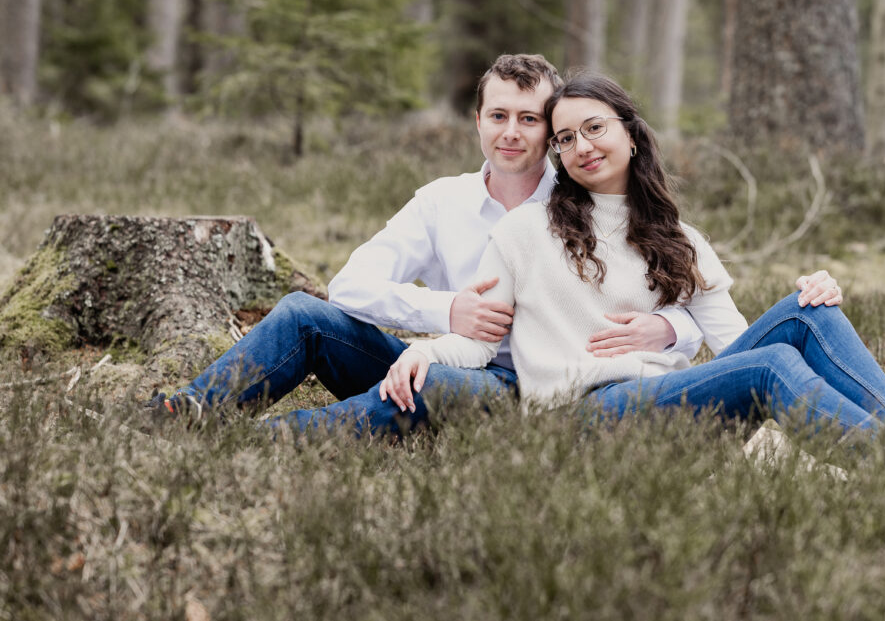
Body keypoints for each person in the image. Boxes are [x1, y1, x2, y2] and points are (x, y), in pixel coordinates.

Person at [151, 55, 845, 437]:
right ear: (478, 121)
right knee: (307, 317)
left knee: (437, 385)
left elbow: (667, 284)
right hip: (452, 349)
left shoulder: (580, 198)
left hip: (530, 385)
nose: (513, 132)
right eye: (497, 116)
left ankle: (278, 440)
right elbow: (354, 284)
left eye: (532, 119)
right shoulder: (442, 200)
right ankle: (194, 413)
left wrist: (671, 324)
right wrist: (443, 313)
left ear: (554, 128)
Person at [379, 72, 885, 448]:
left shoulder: (681, 240)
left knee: (810, 314)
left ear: (631, 134)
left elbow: (733, 347)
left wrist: (817, 288)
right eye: (565, 139)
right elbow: (481, 336)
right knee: (771, 368)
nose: (581, 147)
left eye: (594, 128)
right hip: (582, 416)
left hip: (669, 400)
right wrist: (426, 351)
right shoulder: (526, 228)